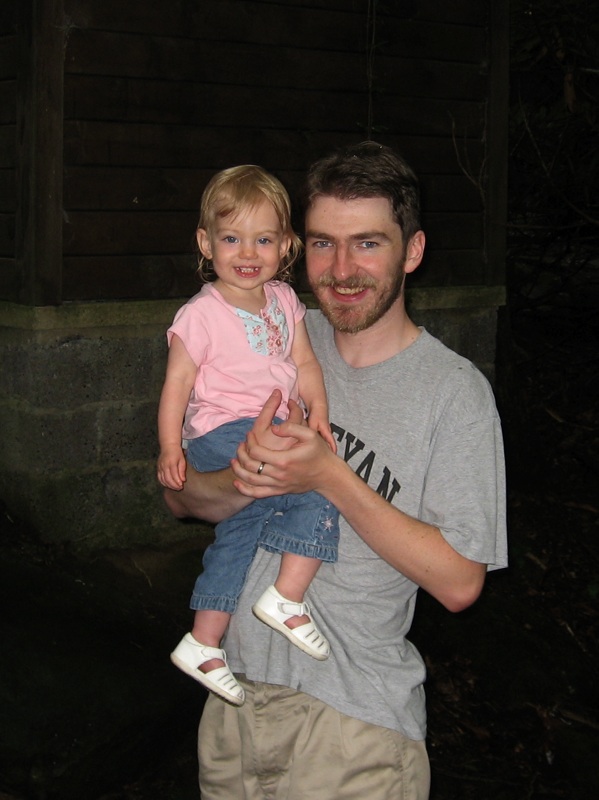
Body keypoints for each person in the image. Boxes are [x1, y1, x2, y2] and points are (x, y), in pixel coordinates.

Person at [164, 141, 508, 800]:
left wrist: (328, 477)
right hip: (233, 706)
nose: (342, 268)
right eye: (322, 244)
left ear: (411, 251)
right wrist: (237, 477)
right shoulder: (272, 333)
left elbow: (461, 582)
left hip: (353, 728)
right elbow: (182, 502)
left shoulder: (451, 393)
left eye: (367, 244)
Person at [157, 165, 340, 706]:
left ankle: (205, 639)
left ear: (286, 245)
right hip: (221, 428)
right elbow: (176, 385)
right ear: (205, 242)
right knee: (315, 485)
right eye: (231, 237)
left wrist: (321, 411)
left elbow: (304, 363)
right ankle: (286, 596)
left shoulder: (285, 302)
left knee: (244, 522)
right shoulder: (200, 315)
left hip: (277, 423)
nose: (247, 252)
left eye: (263, 239)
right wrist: (171, 446)